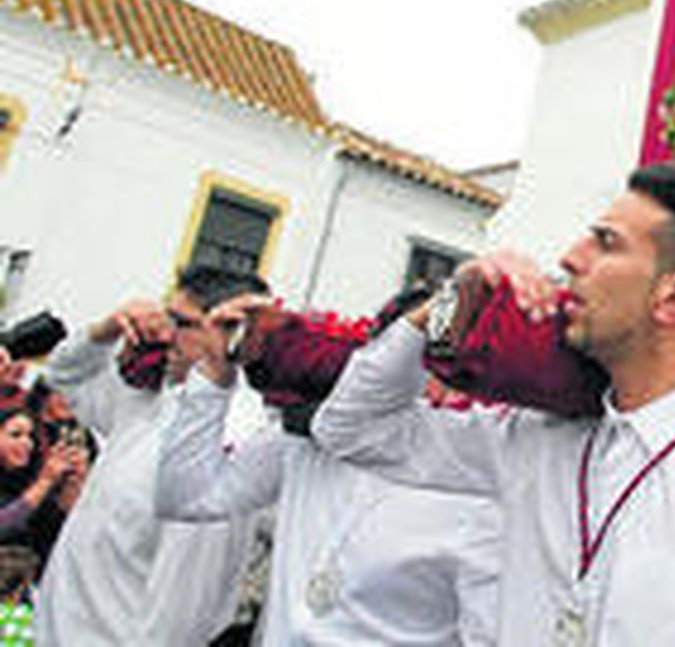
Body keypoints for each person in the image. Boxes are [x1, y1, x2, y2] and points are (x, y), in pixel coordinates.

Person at [312, 162, 675, 645]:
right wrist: (450, 300)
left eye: (605, 243)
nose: (569, 258)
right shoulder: (534, 437)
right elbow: (351, 430)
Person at [156, 289, 503, 646]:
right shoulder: (313, 437)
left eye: (440, 365)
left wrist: (461, 292)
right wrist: (215, 371)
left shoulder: (480, 492)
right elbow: (187, 498)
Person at [33, 266, 267, 646]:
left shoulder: (227, 435)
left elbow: (188, 605)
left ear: (231, 333)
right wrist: (104, 330)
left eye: (183, 323)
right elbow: (64, 376)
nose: (164, 333)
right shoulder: (154, 395)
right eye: (166, 316)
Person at [0, 405, 84, 563]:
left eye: (30, 436)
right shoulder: (39, 484)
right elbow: (4, 524)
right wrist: (45, 481)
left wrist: (72, 483)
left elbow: (58, 527)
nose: (27, 443)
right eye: (15, 435)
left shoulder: (28, 480)